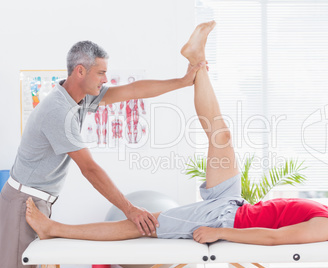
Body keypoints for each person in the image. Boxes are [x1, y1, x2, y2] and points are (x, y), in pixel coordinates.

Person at [25, 21, 328, 247]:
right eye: (101, 73)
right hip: (235, 203)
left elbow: (273, 238)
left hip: (224, 220)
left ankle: (54, 229)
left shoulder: (326, 224)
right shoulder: (327, 212)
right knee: (221, 133)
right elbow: (135, 91)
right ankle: (197, 62)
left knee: (142, 226)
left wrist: (220, 233)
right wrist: (185, 79)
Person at [0, 38, 205, 268]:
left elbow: (133, 90)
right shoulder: (58, 112)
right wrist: (130, 209)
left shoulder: (80, 98)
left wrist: (183, 82)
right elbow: (90, 169)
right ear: (80, 71)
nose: (105, 79)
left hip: (38, 200)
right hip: (22, 202)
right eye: (101, 72)